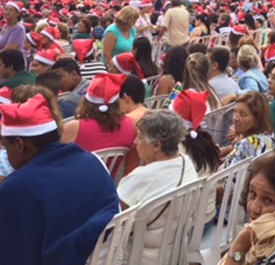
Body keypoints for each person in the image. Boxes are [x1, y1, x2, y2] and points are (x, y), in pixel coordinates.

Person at [0, 94, 119, 265]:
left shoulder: (16, 187)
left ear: (19, 144)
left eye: (5, 145)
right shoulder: (92, 161)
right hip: (104, 255)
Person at [117, 110, 198, 265]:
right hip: (172, 254)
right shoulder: (187, 164)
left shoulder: (138, 179)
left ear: (156, 145)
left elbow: (114, 221)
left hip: (135, 257)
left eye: (139, 137)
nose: (135, 141)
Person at [61, 74, 136, 152]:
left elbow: (63, 159)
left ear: (86, 101)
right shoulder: (132, 124)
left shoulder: (73, 128)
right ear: (117, 101)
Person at [223, 91, 274, 168]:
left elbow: (232, 178)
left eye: (243, 114)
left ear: (257, 119)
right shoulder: (269, 136)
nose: (235, 118)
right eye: (235, 112)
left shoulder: (246, 144)